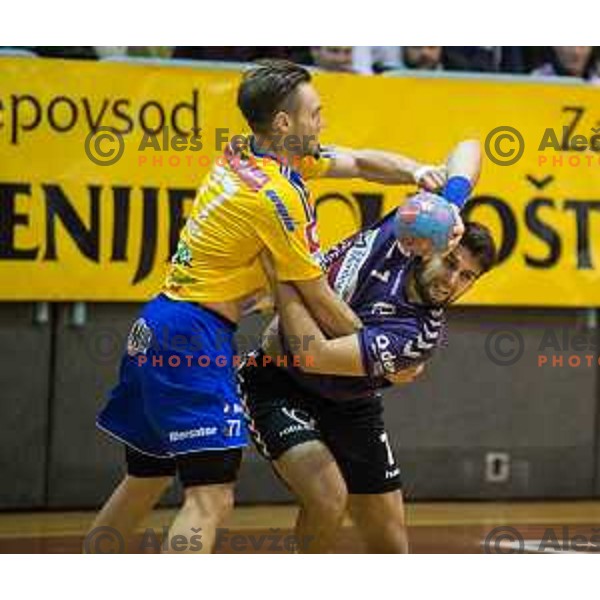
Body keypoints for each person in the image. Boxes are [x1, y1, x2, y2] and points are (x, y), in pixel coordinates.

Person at [86, 59, 446, 553]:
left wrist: (417, 171)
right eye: (315, 113)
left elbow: (358, 162)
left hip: (158, 324)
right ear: (284, 123)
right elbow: (317, 296)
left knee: (144, 480)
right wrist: (381, 353)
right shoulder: (275, 197)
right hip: (194, 332)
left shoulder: (248, 153)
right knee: (210, 498)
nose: (323, 122)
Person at [239, 140, 498, 553]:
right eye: (451, 264)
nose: (452, 281)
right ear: (438, 246)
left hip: (349, 400)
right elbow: (469, 146)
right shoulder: (414, 231)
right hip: (279, 384)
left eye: (467, 277)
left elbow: (313, 353)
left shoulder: (418, 334)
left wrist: (286, 272)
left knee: (392, 547)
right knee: (327, 497)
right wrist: (449, 202)